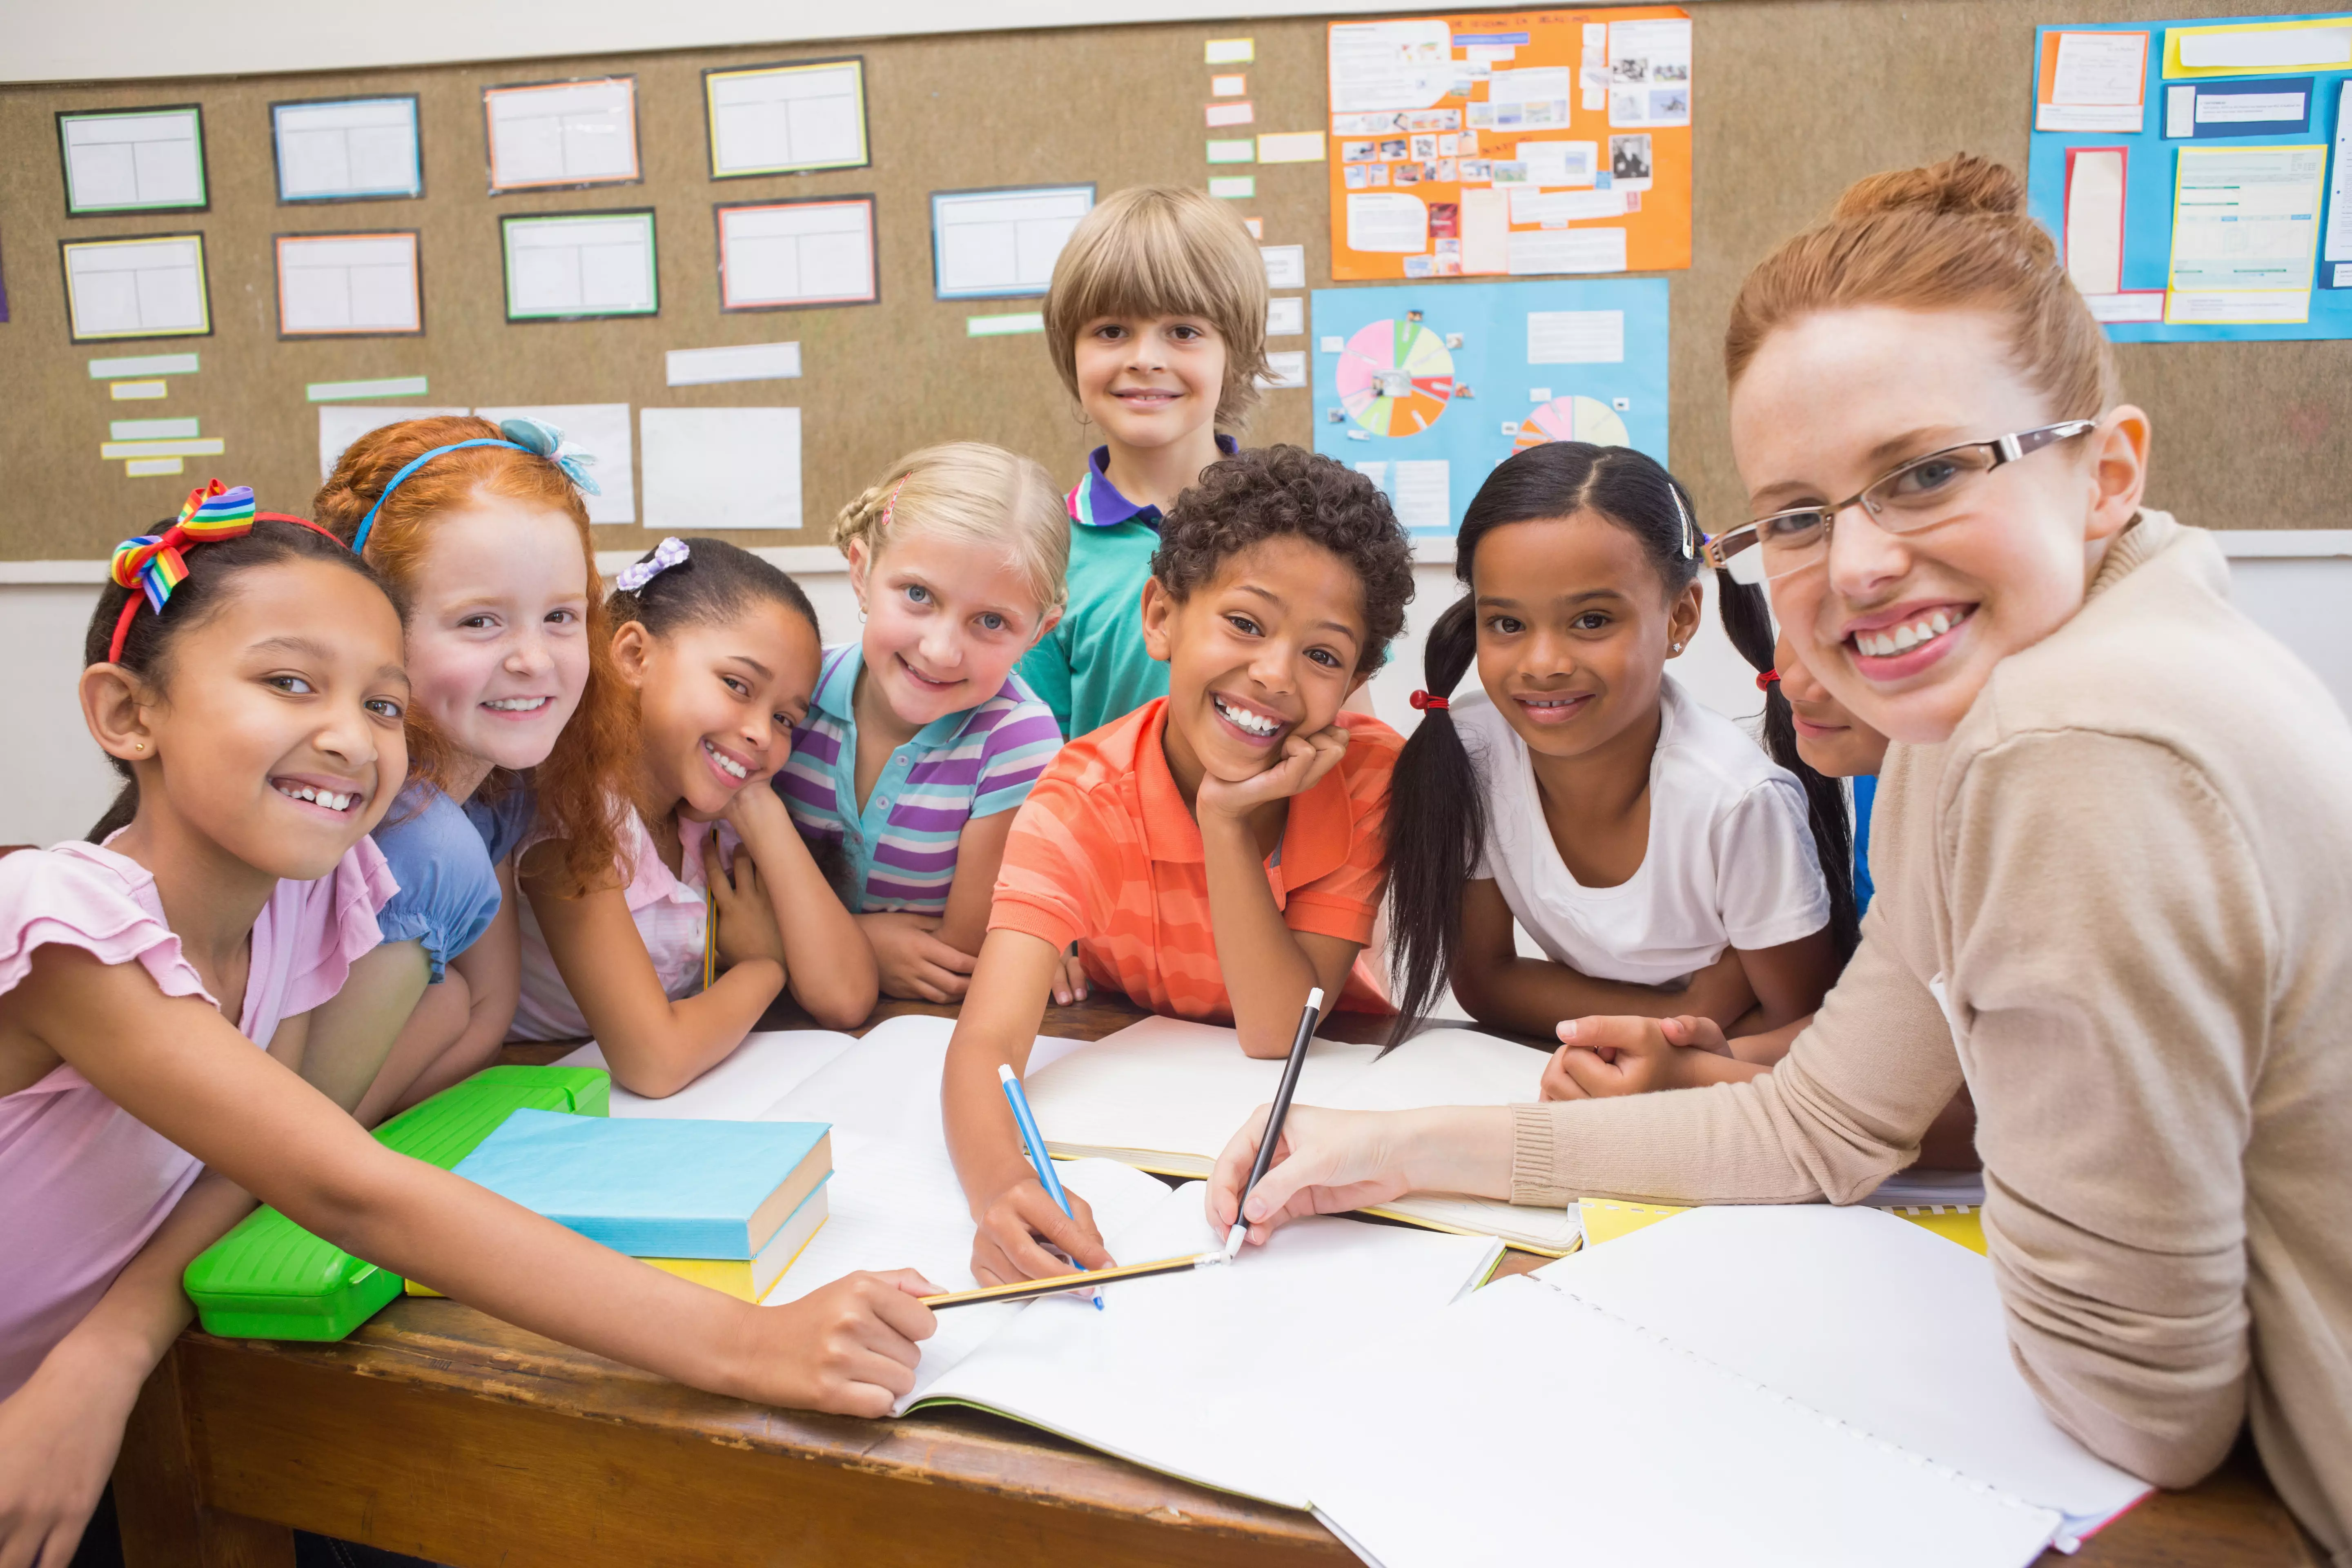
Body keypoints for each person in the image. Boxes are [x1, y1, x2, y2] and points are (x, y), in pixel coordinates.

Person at [1203, 154, 2352, 1559]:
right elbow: (1818, 1124)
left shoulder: (2068, 745)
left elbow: (2146, 1406)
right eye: (1800, 515)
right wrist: (1390, 1152)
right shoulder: (1987, 685)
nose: (1856, 567)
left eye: (1926, 474)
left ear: (2106, 471)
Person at [0, 499, 935, 1568]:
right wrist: (749, 1343)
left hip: (101, 1410)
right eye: (289, 683)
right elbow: (347, 1184)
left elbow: (259, 1163)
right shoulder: (63, 917)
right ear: (128, 714)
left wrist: (110, 1348)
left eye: (386, 704)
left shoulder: (312, 902)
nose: (353, 736)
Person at [944, 446, 1414, 1287]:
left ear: (1356, 681)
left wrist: (1226, 827)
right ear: (1161, 615)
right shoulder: (1081, 795)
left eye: (1324, 656)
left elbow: (1276, 1031)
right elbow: (986, 1046)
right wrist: (1006, 1190)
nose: (1274, 674)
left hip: (1309, 1118)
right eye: (1245, 623)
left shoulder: (1371, 778)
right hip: (1141, 1123)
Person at [1381, 441, 1844, 1050]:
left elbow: (1803, 1031)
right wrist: (1687, 1008)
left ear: (1680, 618)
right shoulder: (1472, 751)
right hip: (1599, 1068)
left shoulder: (1736, 800)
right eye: (1508, 624)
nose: (1543, 664)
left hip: (1722, 1097)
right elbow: (1488, 983)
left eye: (1592, 621)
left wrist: (1663, 1055)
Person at [314, 414, 637, 1124]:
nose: (534, 659)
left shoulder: (499, 788)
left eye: (560, 617)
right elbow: (297, 1127)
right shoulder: (413, 832)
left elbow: (484, 1011)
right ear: (376, 628)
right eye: (480, 622)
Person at [510, 539, 875, 1095]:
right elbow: (655, 1063)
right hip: (523, 1086)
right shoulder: (572, 820)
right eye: (737, 685)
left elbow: (846, 995)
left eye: (784, 719)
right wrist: (765, 967)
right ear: (634, 656)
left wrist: (760, 809)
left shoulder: (713, 816)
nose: (761, 732)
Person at [777, 445, 1069, 1004]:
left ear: (1039, 631)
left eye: (991, 622)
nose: (940, 651)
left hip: (918, 1032)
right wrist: (866, 946)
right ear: (861, 574)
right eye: (918, 595)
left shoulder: (1018, 742)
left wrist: (798, 943)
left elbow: (959, 954)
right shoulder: (792, 694)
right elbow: (730, 908)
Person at [1016, 185, 1270, 741]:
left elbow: (1355, 742)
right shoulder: (1041, 555)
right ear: (1072, 351)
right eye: (1111, 331)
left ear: (1235, 350)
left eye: (1183, 332)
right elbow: (1034, 766)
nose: (1145, 360)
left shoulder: (1302, 532)